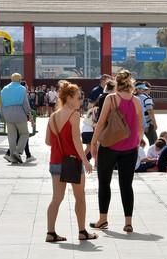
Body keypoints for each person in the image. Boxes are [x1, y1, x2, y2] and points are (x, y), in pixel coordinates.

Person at [90, 70, 143, 233]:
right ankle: (128, 222)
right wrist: (136, 142)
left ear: (116, 82)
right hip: (130, 148)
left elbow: (100, 123)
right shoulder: (136, 101)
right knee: (126, 185)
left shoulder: (111, 98)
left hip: (110, 146)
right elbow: (141, 127)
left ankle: (103, 219)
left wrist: (93, 143)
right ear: (130, 83)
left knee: (104, 182)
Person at [45, 80, 96, 242]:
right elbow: (76, 140)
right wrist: (86, 161)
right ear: (68, 98)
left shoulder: (53, 116)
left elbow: (47, 141)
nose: (80, 100)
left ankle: (50, 233)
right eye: (78, 98)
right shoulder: (74, 115)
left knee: (56, 198)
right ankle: (82, 231)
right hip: (72, 162)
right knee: (80, 197)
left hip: (55, 161)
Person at [1, 73, 32, 164]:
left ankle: (12, 157)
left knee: (11, 136)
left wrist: (3, 115)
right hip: (19, 114)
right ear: (19, 80)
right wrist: (28, 113)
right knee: (25, 133)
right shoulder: (22, 89)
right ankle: (17, 152)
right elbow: (25, 103)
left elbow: (1, 104)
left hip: (7, 114)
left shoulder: (4, 89)